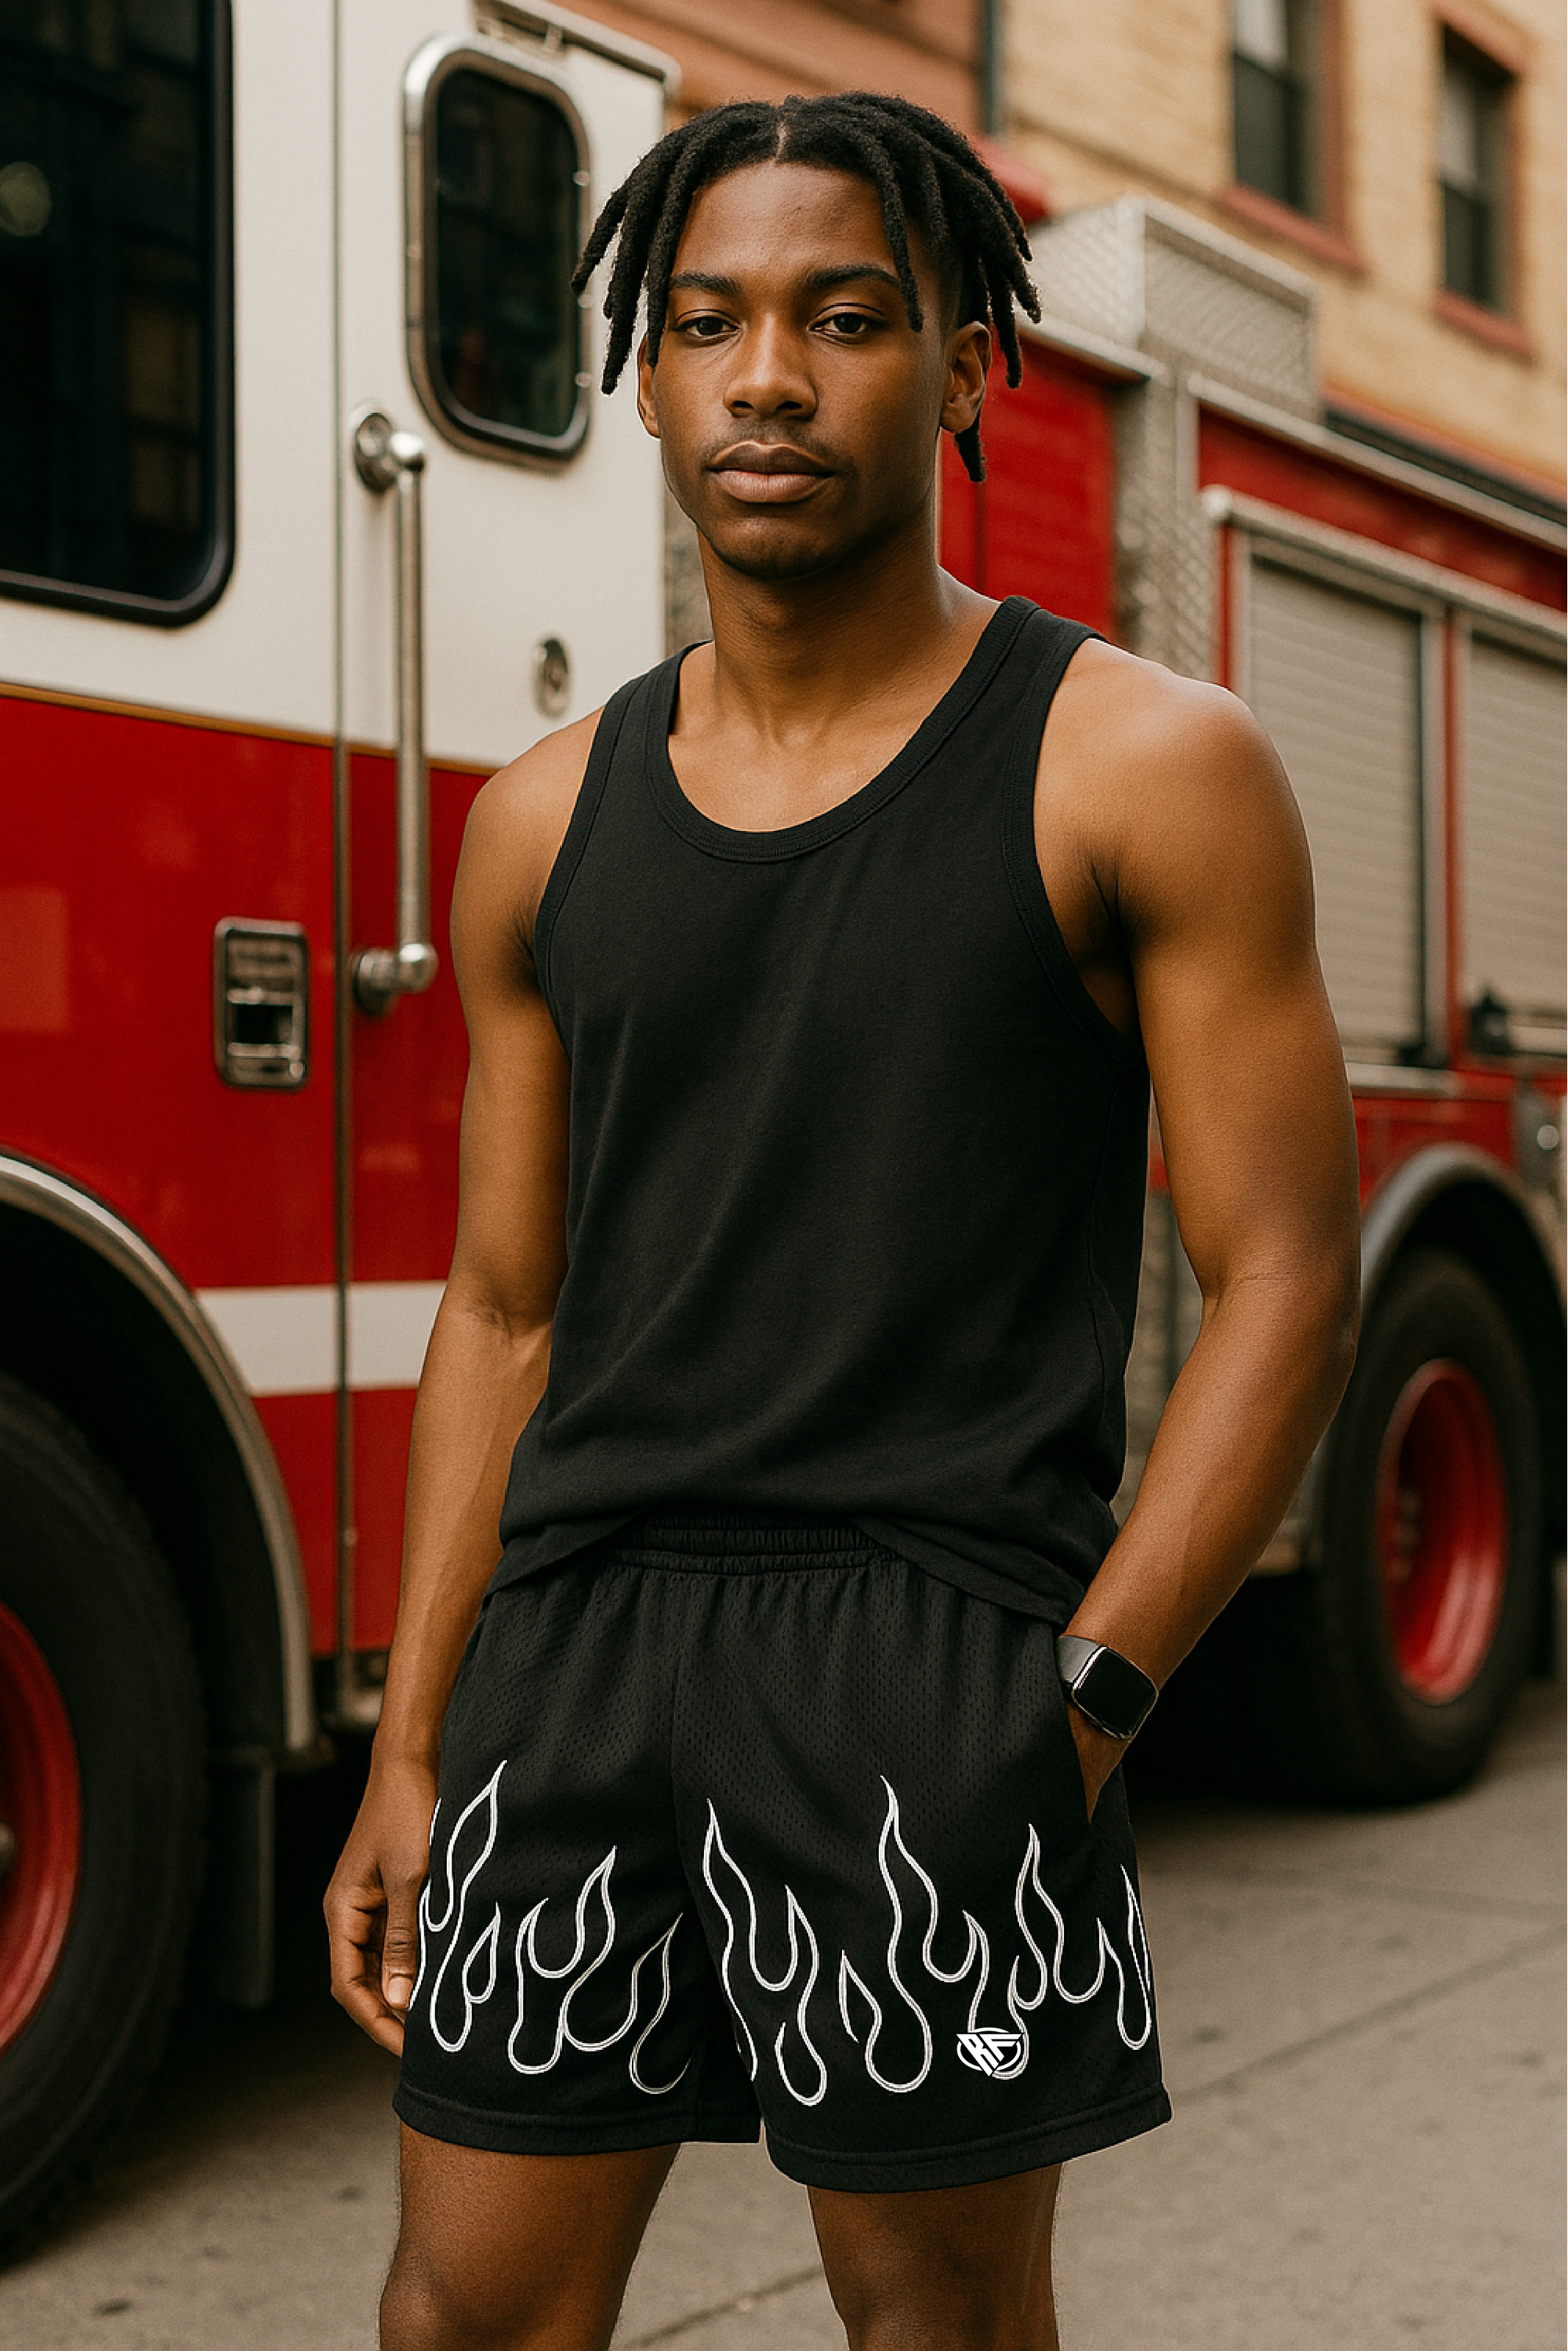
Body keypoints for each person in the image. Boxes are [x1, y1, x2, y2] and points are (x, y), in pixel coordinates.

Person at [325, 92, 1360, 2351]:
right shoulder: (539, 821)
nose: (769, 378)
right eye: (708, 323)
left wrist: (1080, 1701)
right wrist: (412, 1740)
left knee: (938, 2330)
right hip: (578, 1654)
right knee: (460, 2316)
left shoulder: (1139, 765)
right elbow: (504, 1304)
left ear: (969, 361)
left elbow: (1288, 1273)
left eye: (846, 317)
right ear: (645, 379)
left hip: (932, 1649)